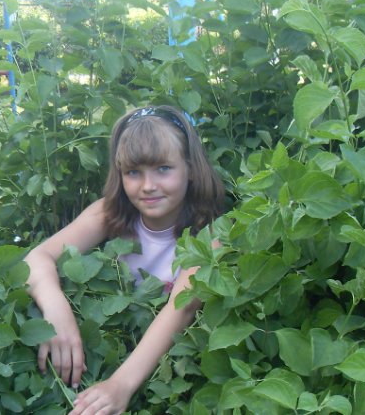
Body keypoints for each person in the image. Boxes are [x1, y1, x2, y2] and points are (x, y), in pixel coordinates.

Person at [25, 105, 224, 415]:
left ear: (191, 169)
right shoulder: (108, 213)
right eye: (133, 172)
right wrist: (56, 310)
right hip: (109, 343)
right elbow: (36, 258)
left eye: (163, 169)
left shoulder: (207, 237)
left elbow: (181, 308)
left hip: (164, 369)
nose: (148, 185)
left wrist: (120, 386)